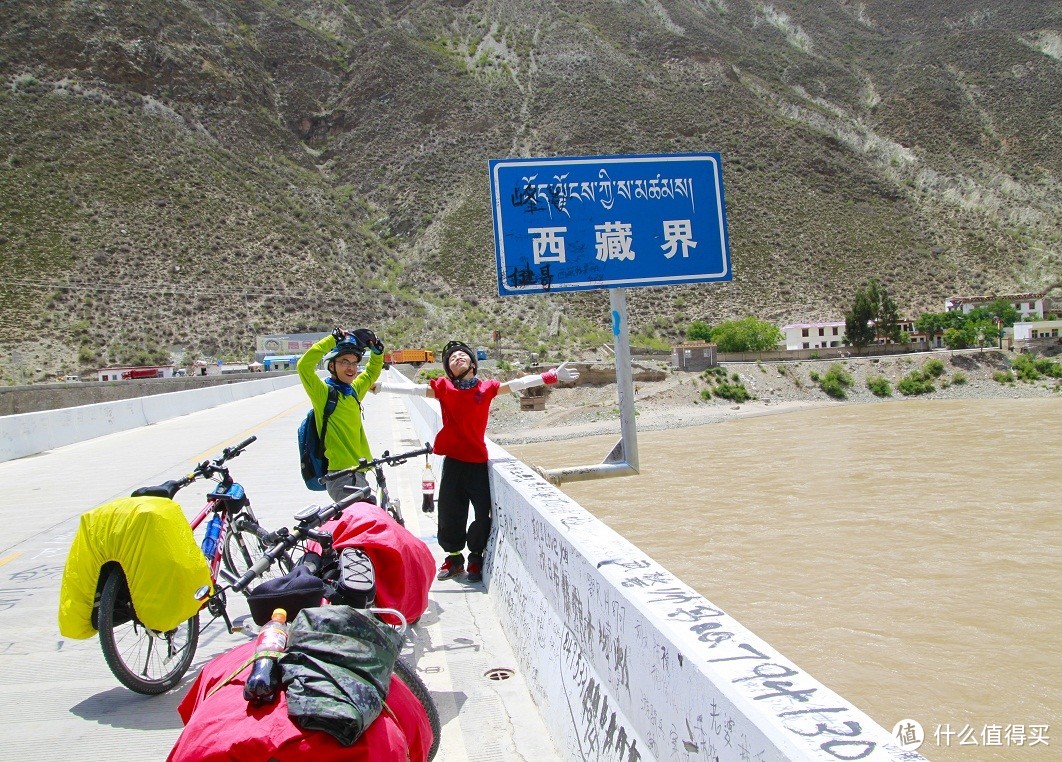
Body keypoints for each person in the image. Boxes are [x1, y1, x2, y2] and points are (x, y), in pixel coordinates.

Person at [373, 341, 580, 583]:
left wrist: (551, 375)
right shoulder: (444, 388)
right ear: (449, 370)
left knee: (482, 514)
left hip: (477, 462)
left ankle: (475, 557)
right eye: (452, 358)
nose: (457, 358)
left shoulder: (486, 388)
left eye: (462, 355)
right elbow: (414, 390)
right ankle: (454, 558)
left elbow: (517, 384)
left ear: (472, 363)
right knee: (450, 511)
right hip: (453, 462)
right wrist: (380, 387)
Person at [297, 327, 385, 503]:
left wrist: (377, 351)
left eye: (354, 363)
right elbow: (304, 366)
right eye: (344, 362)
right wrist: (332, 339)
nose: (351, 368)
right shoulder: (324, 394)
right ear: (332, 365)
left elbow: (371, 373)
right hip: (341, 476)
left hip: (359, 471)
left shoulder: (353, 391)